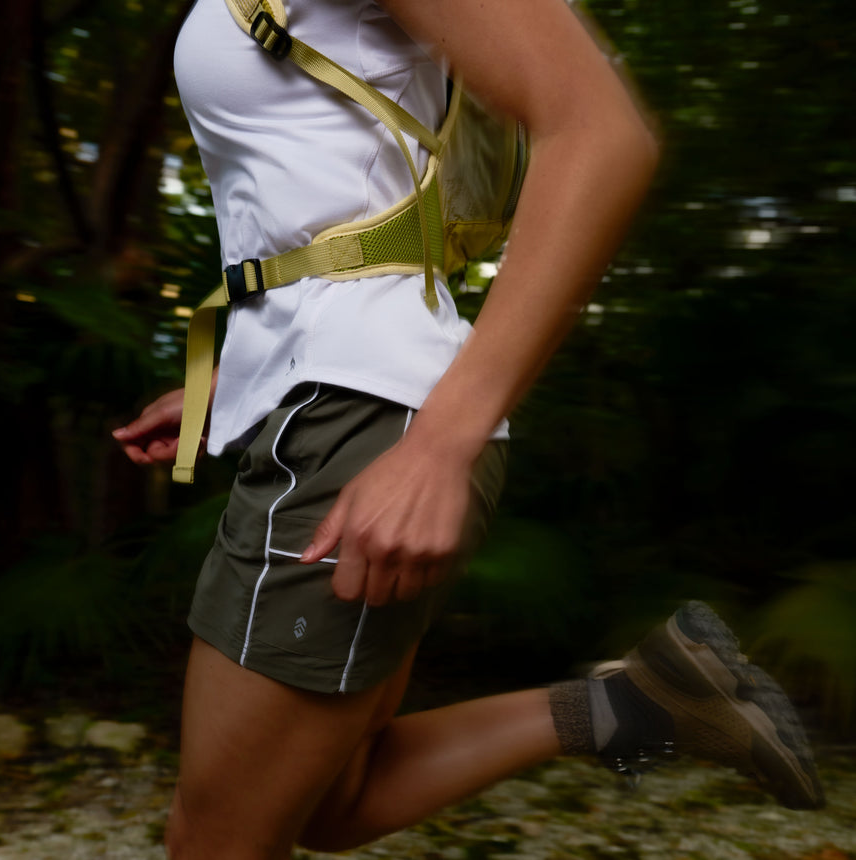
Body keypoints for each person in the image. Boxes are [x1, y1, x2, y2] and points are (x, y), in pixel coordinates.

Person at [113, 0, 823, 857]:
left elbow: (600, 132)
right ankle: (643, 702)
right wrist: (240, 380)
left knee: (214, 841)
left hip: (368, 422)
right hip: (337, 399)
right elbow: (334, 207)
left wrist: (442, 445)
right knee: (334, 798)